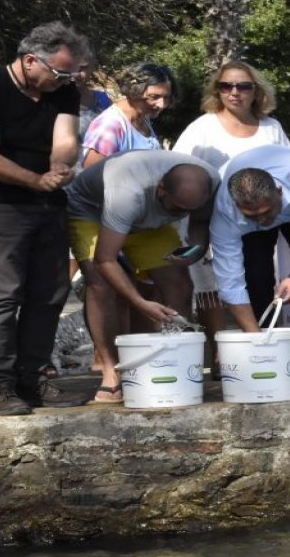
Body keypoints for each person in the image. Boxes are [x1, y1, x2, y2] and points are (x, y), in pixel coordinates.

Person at [0, 21, 92, 414]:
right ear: (29, 61)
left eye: (70, 74)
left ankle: (35, 377)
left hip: (48, 203)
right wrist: (34, 180)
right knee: (3, 294)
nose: (65, 81)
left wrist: (60, 168)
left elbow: (65, 141)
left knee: (50, 294)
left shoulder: (63, 91)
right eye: (59, 73)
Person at [65, 150, 219, 402]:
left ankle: (174, 362)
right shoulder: (128, 192)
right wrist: (140, 303)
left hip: (150, 220)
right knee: (100, 284)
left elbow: (200, 225)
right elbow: (106, 259)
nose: (180, 214)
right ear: (161, 188)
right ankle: (111, 371)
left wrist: (193, 252)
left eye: (187, 210)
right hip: (93, 210)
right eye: (177, 208)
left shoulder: (209, 184)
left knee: (178, 280)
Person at [173, 61, 290, 375]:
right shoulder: (202, 127)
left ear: (257, 90)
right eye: (226, 86)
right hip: (209, 218)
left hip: (257, 219)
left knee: (259, 278)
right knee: (210, 284)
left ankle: (258, 348)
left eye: (243, 86)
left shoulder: (271, 127)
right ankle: (218, 356)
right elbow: (180, 167)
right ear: (217, 91)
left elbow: (287, 165)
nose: (234, 93)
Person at [210, 146, 290, 395]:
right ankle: (263, 355)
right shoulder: (226, 212)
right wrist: (259, 343)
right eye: (252, 215)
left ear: (279, 192)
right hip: (248, 226)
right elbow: (231, 284)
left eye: (266, 211)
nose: (263, 220)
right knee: (255, 278)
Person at [81, 62, 176, 168]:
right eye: (154, 96)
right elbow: (92, 174)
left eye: (166, 98)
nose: (161, 105)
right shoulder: (109, 126)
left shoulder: (143, 117)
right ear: (133, 91)